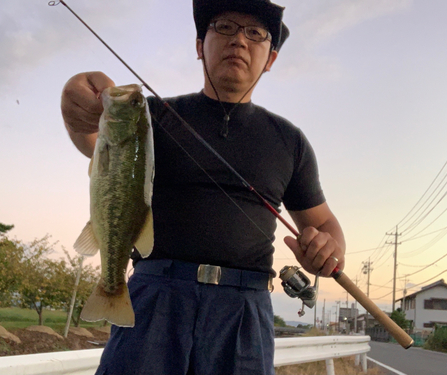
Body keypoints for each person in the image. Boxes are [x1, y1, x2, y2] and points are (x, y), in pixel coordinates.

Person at [61, 0, 346, 374]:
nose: (239, 41)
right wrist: (74, 99)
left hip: (243, 310)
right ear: (200, 46)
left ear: (270, 59)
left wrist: (329, 249)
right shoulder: (150, 116)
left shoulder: (290, 141)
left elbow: (324, 223)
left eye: (256, 33)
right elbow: (92, 140)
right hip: (155, 296)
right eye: (225, 26)